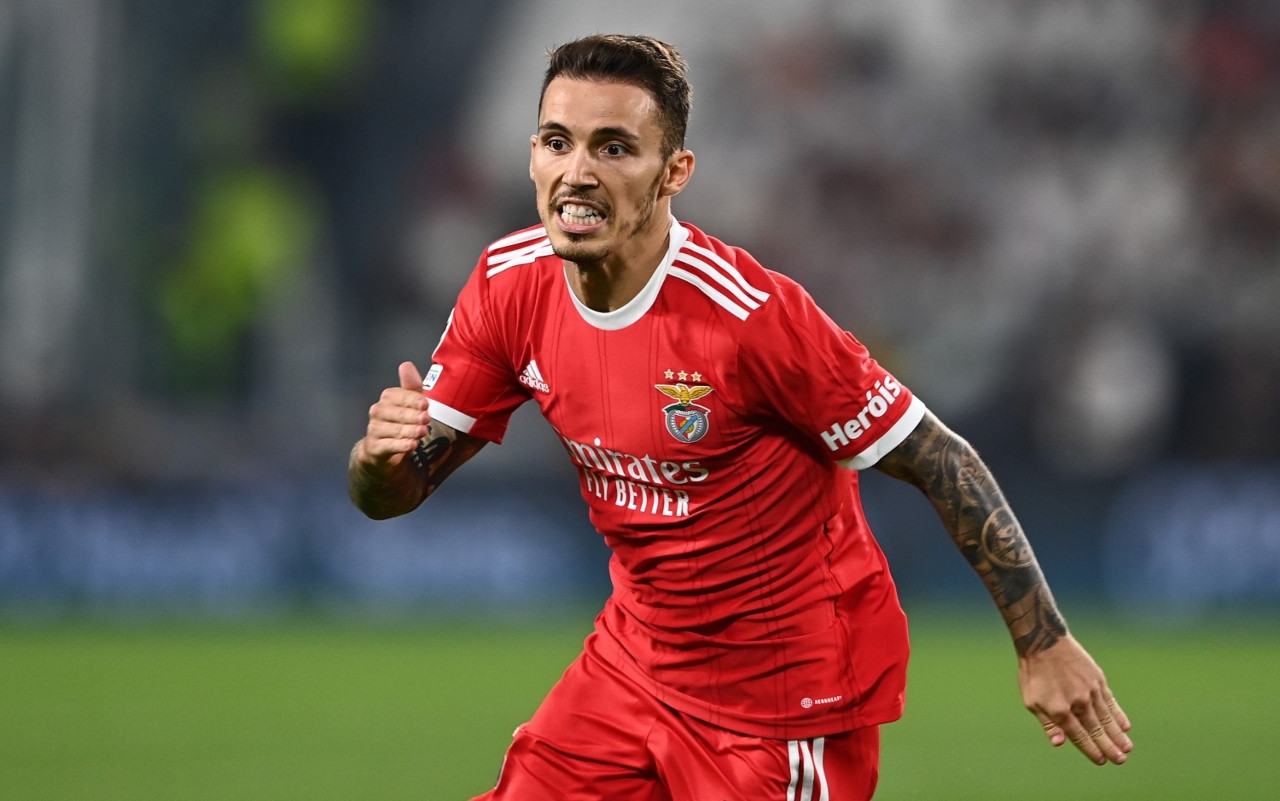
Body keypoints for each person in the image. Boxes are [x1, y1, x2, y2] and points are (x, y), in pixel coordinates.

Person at [348, 33, 1133, 801]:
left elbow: (939, 456)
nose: (578, 173)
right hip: (634, 666)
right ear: (533, 156)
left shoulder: (751, 319)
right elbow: (395, 491)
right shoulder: (509, 284)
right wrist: (376, 462)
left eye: (614, 148)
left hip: (782, 703)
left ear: (674, 172)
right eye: (559, 142)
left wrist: (1044, 642)